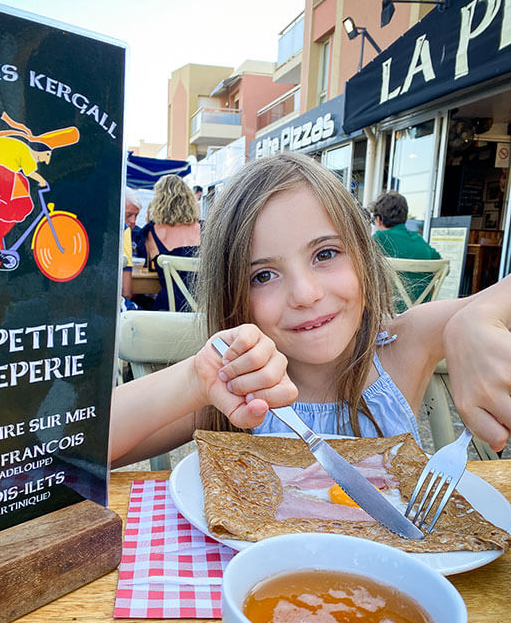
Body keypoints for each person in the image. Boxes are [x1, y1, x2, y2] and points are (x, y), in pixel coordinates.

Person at [110, 153, 511, 468]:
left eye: (326, 253)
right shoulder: (234, 388)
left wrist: (477, 317)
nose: (305, 293)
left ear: (363, 258)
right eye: (263, 276)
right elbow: (64, 450)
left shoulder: (404, 345)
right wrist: (196, 379)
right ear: (233, 297)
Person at [0, 112, 79, 261]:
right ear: (41, 151)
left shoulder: (21, 152)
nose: (46, 161)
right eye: (47, 155)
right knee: (22, 199)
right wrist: (43, 182)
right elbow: (31, 173)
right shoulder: (26, 152)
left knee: (17, 209)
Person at [369, 190, 442, 310]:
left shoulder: (379, 238)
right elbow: (442, 265)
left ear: (379, 219)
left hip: (390, 311)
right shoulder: (418, 239)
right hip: (423, 311)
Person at [144, 174, 201, 311]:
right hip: (204, 309)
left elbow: (150, 266)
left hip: (169, 310)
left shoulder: (151, 233)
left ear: (158, 201)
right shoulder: (204, 229)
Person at [122, 188, 141, 305]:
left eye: (136, 215)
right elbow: (126, 292)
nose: (133, 221)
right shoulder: (124, 231)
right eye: (129, 215)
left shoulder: (139, 233)